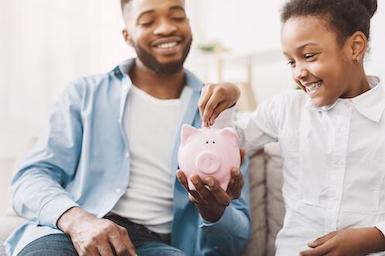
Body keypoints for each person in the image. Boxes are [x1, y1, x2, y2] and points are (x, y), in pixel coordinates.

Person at [5, 0, 251, 255]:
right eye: (147, 21)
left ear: (189, 25)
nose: (166, 28)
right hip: (71, 233)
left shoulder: (219, 116)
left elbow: (237, 239)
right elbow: (29, 178)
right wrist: (77, 220)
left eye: (177, 16)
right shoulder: (84, 94)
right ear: (127, 35)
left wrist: (214, 213)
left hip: (157, 247)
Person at [202, 0, 385, 255]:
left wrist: (375, 237)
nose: (298, 72)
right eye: (291, 62)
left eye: (309, 56)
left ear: (355, 47)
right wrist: (229, 98)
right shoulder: (286, 109)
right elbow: (228, 140)